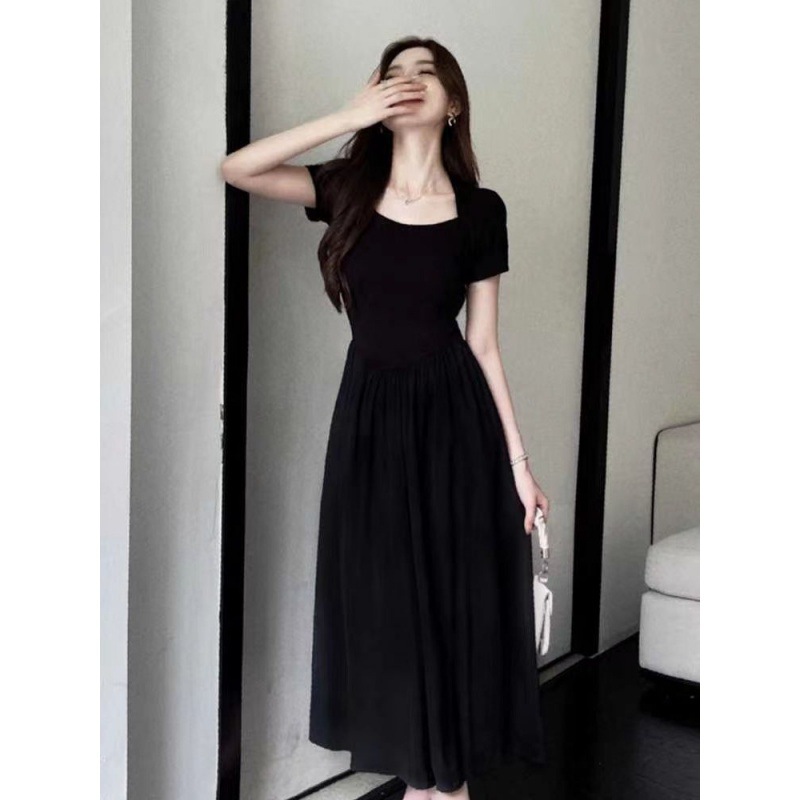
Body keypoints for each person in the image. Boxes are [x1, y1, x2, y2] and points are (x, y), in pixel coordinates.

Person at [221, 36, 550, 800]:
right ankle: (429, 782)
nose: (407, 82)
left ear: (453, 102)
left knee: (449, 608)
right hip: (368, 424)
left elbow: (485, 346)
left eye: (423, 73)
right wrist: (348, 116)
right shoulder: (346, 188)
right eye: (393, 74)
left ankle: (440, 784)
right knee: (387, 612)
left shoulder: (481, 210)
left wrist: (519, 466)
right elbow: (238, 168)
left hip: (454, 423)